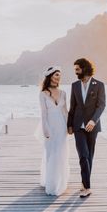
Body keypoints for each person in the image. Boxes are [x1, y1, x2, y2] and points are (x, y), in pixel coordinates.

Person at [67, 58, 106, 198]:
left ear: (84, 68)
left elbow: (101, 106)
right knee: (83, 155)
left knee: (89, 156)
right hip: (78, 126)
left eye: (77, 69)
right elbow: (73, 106)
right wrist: (69, 125)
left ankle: (84, 182)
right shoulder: (75, 85)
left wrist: (93, 121)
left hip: (92, 127)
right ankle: (87, 187)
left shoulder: (99, 85)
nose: (75, 72)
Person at [39, 66, 69, 196]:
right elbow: (43, 113)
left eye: (59, 75)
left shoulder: (63, 93)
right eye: (56, 74)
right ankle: (51, 182)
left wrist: (69, 126)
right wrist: (45, 129)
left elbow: (65, 111)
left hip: (62, 126)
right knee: (51, 152)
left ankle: (60, 182)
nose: (58, 77)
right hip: (50, 126)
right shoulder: (43, 93)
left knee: (61, 152)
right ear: (50, 76)